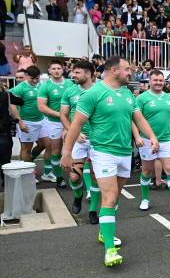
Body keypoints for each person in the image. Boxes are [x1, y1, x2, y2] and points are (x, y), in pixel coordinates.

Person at [61, 56, 159, 267]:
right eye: (127, 69)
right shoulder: (93, 94)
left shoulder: (127, 94)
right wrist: (67, 152)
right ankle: (110, 251)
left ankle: (104, 233)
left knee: (114, 200)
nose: (130, 72)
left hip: (125, 152)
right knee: (110, 196)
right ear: (114, 70)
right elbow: (76, 125)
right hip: (103, 152)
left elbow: (138, 118)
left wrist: (152, 136)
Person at [134, 69, 170, 213]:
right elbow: (134, 119)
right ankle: (145, 199)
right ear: (150, 81)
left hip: (166, 140)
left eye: (160, 80)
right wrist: (137, 137)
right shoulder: (141, 98)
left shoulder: (169, 98)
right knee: (147, 171)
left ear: (164, 81)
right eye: (155, 80)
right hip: (147, 141)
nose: (158, 83)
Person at [59, 60, 99, 224]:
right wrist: (73, 132)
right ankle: (77, 196)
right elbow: (63, 115)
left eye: (77, 72)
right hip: (78, 140)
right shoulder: (69, 91)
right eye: (73, 72)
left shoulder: (100, 90)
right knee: (75, 177)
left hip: (98, 140)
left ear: (89, 73)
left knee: (97, 177)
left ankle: (92, 210)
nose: (72, 75)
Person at [38, 60, 74, 187]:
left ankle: (75, 177)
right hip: (54, 123)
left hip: (72, 122)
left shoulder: (70, 83)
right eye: (53, 68)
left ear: (63, 69)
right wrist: (61, 115)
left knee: (76, 151)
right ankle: (59, 178)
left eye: (59, 68)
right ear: (49, 71)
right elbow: (42, 107)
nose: (56, 71)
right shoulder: (45, 86)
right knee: (56, 152)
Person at [9, 65, 46, 164]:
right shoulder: (19, 88)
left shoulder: (41, 85)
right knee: (26, 148)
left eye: (37, 78)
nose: (35, 81)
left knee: (44, 144)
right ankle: (26, 173)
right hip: (27, 122)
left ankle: (30, 161)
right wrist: (20, 123)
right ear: (26, 76)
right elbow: (12, 106)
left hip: (42, 120)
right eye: (32, 78)